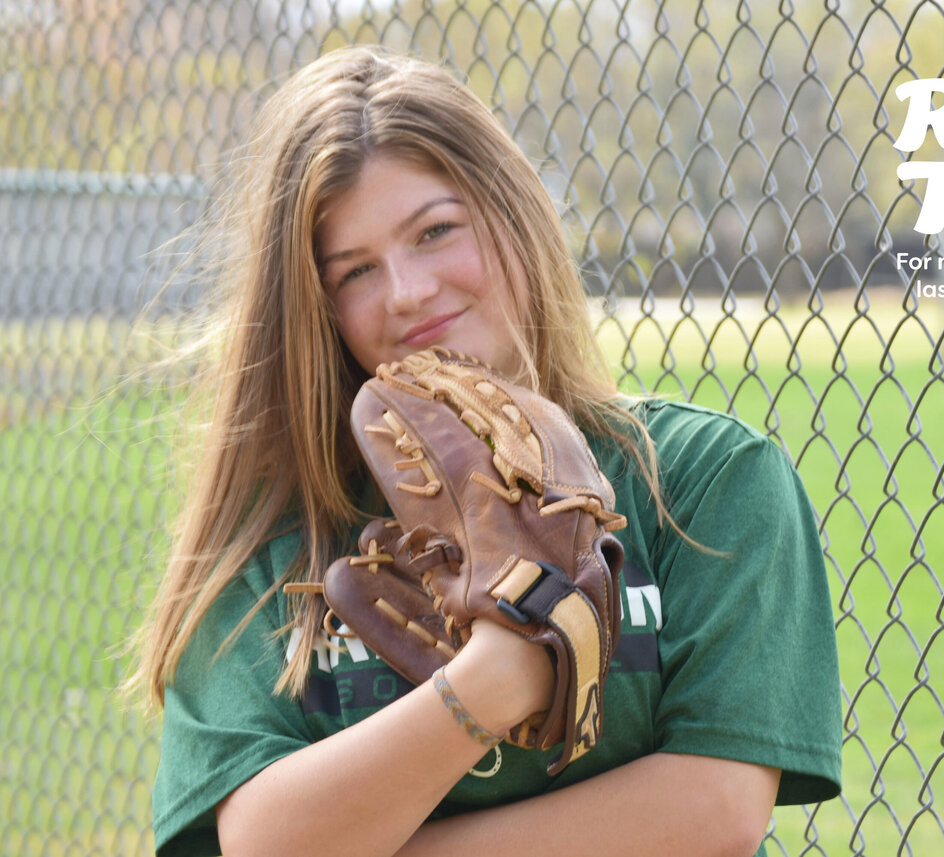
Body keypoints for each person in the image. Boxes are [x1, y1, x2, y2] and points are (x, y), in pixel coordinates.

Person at [129, 44, 842, 857]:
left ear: (515, 214)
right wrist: (492, 680)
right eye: (354, 272)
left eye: (434, 231)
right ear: (316, 312)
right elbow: (263, 842)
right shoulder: (273, 541)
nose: (405, 292)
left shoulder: (706, 478)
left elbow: (713, 811)